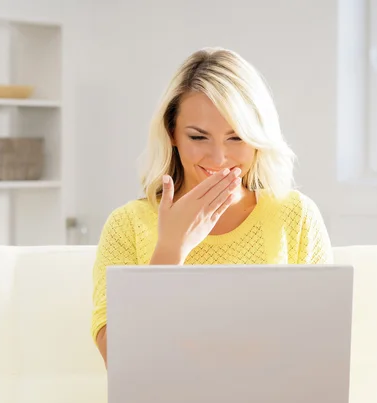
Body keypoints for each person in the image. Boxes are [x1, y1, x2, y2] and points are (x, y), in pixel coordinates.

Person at [91, 47, 333, 367]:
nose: (219, 160)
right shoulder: (127, 224)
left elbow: (324, 348)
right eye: (198, 137)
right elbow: (119, 361)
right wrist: (171, 248)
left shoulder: (296, 216)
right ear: (172, 133)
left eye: (236, 138)